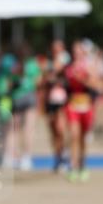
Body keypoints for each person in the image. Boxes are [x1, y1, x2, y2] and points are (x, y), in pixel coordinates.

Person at [63, 40, 102, 182]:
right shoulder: (68, 67)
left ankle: (82, 164)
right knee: (74, 135)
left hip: (86, 105)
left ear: (84, 52)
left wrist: (82, 79)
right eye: (75, 51)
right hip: (72, 105)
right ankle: (73, 166)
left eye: (79, 51)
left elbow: (97, 85)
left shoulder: (89, 66)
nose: (77, 54)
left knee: (82, 138)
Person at [8, 42, 40, 170]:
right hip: (29, 96)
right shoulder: (33, 64)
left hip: (16, 97)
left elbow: (9, 82)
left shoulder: (13, 64)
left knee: (14, 129)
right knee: (28, 129)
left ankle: (12, 156)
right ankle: (26, 157)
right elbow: (38, 81)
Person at [43, 39, 70, 172]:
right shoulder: (49, 63)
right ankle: (57, 157)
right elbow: (45, 79)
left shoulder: (64, 60)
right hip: (50, 101)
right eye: (54, 49)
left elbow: (57, 69)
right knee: (53, 131)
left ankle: (64, 154)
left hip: (62, 100)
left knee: (60, 129)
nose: (56, 51)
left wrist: (50, 73)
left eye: (58, 48)